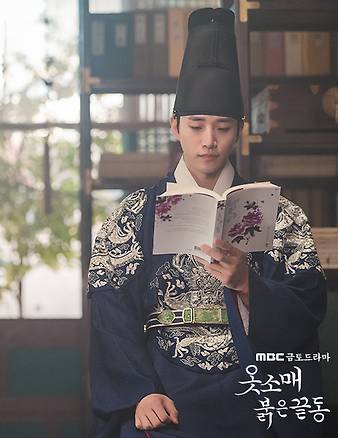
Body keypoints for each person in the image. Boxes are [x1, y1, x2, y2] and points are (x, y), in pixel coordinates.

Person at [88, 8, 327, 438]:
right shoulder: (133, 215)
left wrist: (248, 283)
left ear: (240, 130)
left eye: (222, 127)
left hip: (257, 387)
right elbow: (110, 310)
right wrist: (140, 392)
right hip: (165, 389)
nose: (209, 141)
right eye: (196, 126)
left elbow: (307, 308)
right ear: (175, 126)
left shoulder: (283, 215)